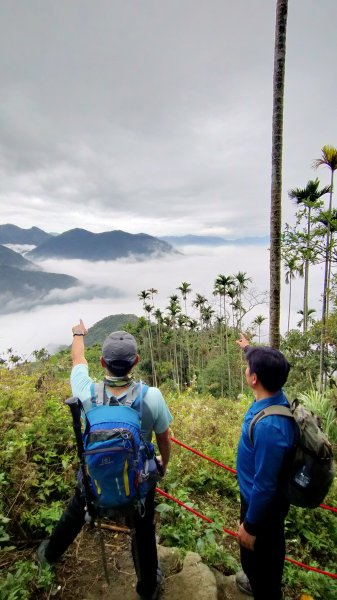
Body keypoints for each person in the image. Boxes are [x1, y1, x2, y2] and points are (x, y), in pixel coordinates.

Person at [38, 320, 173, 600]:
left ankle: (48, 556)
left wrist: (78, 334)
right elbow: (164, 440)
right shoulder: (152, 397)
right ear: (135, 362)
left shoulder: (86, 391)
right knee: (144, 528)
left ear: (102, 362)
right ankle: (147, 587)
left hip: (94, 478)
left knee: (76, 510)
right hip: (136, 481)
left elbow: (78, 359)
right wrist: (163, 465)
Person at [234, 333, 296, 600]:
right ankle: (260, 583)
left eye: (249, 367)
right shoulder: (271, 396)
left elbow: (265, 484)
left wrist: (250, 525)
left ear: (254, 378)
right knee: (258, 562)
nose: (246, 369)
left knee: (260, 563)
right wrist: (249, 348)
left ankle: (264, 589)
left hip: (262, 510)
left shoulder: (271, 427)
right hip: (260, 502)